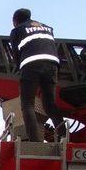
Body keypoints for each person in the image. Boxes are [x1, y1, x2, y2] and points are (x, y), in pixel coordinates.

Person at [10, 8, 66, 142]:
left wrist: (20, 70)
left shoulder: (17, 30)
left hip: (30, 65)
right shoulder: (48, 28)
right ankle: (64, 137)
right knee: (50, 105)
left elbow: (16, 56)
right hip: (52, 66)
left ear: (16, 21)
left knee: (28, 104)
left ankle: (35, 142)